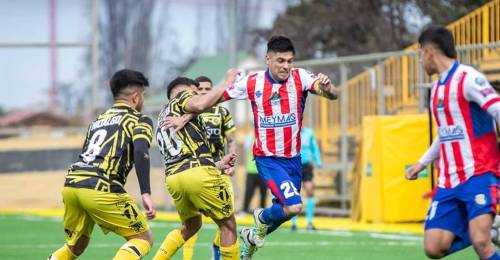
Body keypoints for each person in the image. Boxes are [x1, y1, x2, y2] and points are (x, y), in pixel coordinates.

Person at [221, 35, 339, 259]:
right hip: (267, 158)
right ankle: (261, 219)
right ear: (268, 59)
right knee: (294, 207)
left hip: (293, 159)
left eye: (290, 61)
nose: (286, 65)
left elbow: (332, 95)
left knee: (284, 211)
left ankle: (252, 237)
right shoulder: (253, 82)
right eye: (281, 60)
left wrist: (328, 86)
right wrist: (188, 112)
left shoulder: (301, 77)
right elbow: (219, 95)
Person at [406, 26, 500, 260]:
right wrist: (422, 162)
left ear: (429, 52)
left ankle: (487, 229)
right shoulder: (436, 89)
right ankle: (493, 225)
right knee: (433, 247)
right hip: (448, 181)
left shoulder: (469, 78)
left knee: (481, 242)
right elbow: (445, 132)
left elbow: (497, 108)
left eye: (419, 54)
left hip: (479, 172)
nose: (419, 61)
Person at [48, 69, 156, 260]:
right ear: (136, 97)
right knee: (143, 239)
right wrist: (145, 192)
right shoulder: (140, 119)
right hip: (101, 186)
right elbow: (140, 151)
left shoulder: (97, 121)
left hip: (73, 184)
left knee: (76, 246)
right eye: (143, 96)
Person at [152, 75, 240, 260]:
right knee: (228, 225)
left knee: (191, 225)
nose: (197, 96)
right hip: (197, 174)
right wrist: (227, 81)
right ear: (181, 90)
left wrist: (218, 164)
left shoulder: (162, 117)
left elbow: (184, 156)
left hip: (174, 178)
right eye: (195, 92)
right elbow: (200, 105)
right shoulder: (182, 98)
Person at [180, 76, 237, 260]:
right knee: (192, 222)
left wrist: (231, 163)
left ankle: (218, 248)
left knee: (227, 218)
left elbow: (231, 140)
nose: (204, 92)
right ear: (195, 91)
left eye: (208, 89)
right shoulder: (189, 113)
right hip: (195, 171)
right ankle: (187, 258)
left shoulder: (222, 112)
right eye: (201, 89)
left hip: (219, 172)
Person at [290, 126, 322, 231]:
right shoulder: (290, 132)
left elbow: (314, 148)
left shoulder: (309, 132)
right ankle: (293, 223)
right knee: (294, 193)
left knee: (310, 190)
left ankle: (309, 222)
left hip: (307, 166)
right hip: (294, 165)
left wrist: (318, 162)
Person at [242, 134, 267, 214]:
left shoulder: (265, 139)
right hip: (251, 170)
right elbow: (247, 149)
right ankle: (245, 210)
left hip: (263, 171)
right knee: (249, 191)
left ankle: (263, 212)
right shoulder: (249, 138)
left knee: (263, 192)